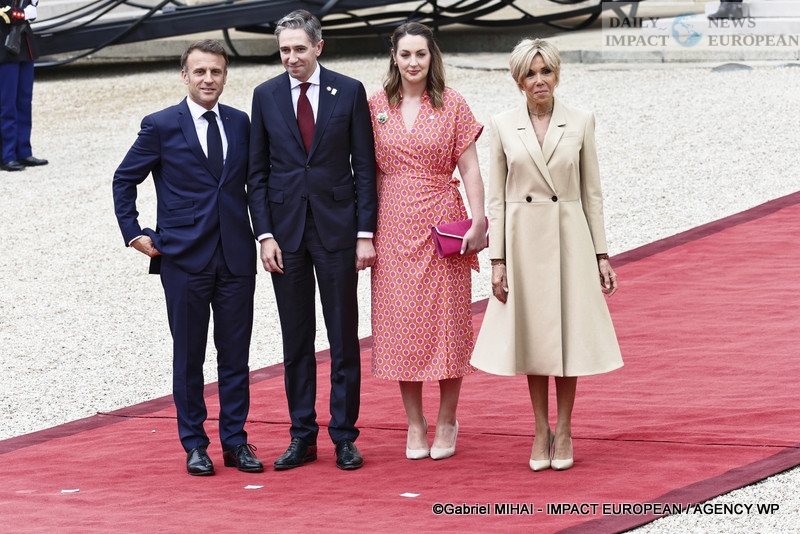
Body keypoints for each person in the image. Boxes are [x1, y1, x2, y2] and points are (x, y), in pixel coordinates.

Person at [471, 39, 623, 472]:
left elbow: (592, 193)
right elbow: (496, 199)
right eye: (530, 73)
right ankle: (541, 429)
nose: (539, 80)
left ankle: (566, 428)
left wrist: (602, 254)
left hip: (570, 239)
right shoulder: (502, 125)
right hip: (523, 244)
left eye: (546, 71)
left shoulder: (581, 121)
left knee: (568, 334)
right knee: (534, 338)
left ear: (557, 75)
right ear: (518, 80)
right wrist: (497, 261)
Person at [112, 39, 262, 476]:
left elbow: (254, 184)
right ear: (185, 75)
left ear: (225, 75)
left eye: (216, 71)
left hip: (236, 257)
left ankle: (235, 442)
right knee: (189, 355)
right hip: (183, 258)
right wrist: (133, 232)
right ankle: (195, 444)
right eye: (200, 72)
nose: (208, 79)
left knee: (235, 356)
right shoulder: (160, 125)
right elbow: (124, 179)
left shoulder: (240, 122)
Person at [248, 10, 377, 471]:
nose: (291, 58)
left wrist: (365, 234)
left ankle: (344, 436)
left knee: (343, 338)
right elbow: (257, 173)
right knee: (296, 340)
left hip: (338, 232)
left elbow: (364, 167)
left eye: (299, 48)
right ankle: (302, 436)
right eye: (284, 50)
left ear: (319, 47)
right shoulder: (265, 95)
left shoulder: (350, 91)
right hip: (286, 236)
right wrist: (265, 234)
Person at [368, 22, 486, 461]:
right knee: (402, 325)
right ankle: (415, 422)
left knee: (447, 324)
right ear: (394, 57)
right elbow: (368, 172)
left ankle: (447, 418)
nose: (413, 62)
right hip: (393, 225)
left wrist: (478, 220)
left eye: (421, 54)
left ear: (431, 56)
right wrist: (364, 231)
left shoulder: (452, 103)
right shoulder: (376, 105)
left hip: (442, 224)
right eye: (405, 54)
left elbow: (469, 167)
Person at [1, 0, 47, 172]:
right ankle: (7, 155)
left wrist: (33, 5)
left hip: (24, 44)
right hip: (4, 45)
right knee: (7, 104)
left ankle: (23, 151)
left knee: (24, 101)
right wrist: (24, 14)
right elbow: (3, 12)